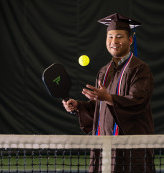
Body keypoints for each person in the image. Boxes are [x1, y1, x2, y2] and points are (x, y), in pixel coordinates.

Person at [62, 13, 155, 173]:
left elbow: (138, 101)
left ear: (130, 40)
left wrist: (108, 98)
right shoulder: (104, 71)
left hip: (129, 147)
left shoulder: (140, 69)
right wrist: (79, 106)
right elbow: (101, 109)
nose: (114, 41)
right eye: (110, 37)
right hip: (104, 145)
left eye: (119, 37)